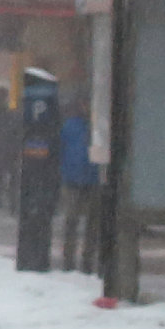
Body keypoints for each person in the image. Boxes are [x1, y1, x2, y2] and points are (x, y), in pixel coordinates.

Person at [57, 97, 98, 272]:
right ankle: (71, 259)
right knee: (74, 220)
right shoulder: (72, 126)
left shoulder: (74, 126)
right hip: (75, 179)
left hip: (89, 179)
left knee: (88, 222)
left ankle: (85, 258)